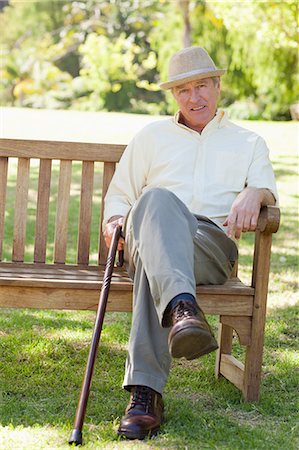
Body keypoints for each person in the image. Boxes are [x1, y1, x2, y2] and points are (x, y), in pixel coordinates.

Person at [103, 46, 278, 440]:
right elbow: (119, 197)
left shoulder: (248, 142)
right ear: (173, 96)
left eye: (202, 86)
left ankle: (145, 394)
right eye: (184, 89)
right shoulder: (151, 137)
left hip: (208, 245)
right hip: (149, 232)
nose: (194, 97)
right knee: (156, 200)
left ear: (218, 86)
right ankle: (183, 309)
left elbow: (267, 188)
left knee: (156, 262)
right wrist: (115, 219)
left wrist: (258, 194)